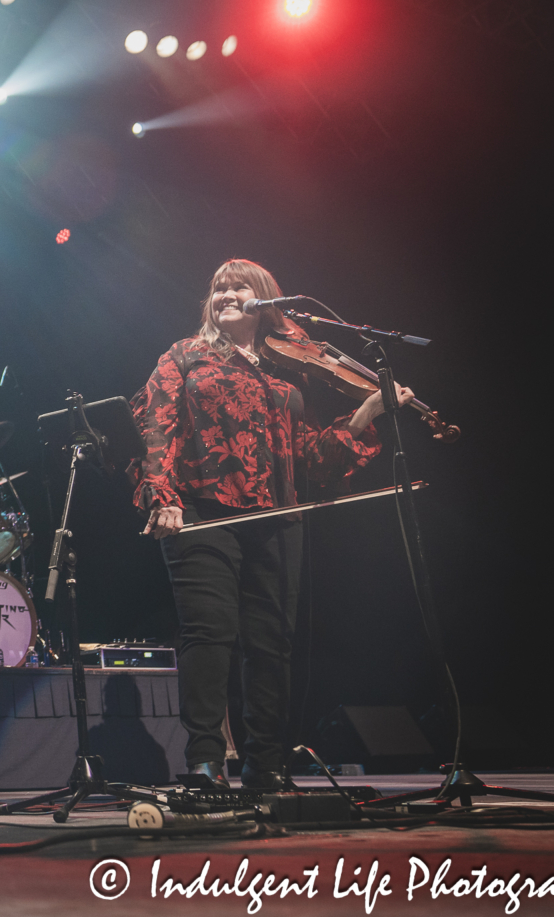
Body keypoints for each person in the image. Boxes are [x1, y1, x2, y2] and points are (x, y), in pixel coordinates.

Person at [131, 258, 411, 789]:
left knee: (271, 642)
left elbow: (307, 456)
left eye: (240, 287)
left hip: (277, 514)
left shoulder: (287, 369)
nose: (227, 294)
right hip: (201, 510)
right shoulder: (184, 356)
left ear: (266, 301)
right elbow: (154, 427)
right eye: (219, 288)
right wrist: (161, 496)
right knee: (210, 634)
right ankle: (207, 762)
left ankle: (267, 764)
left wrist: (368, 412)